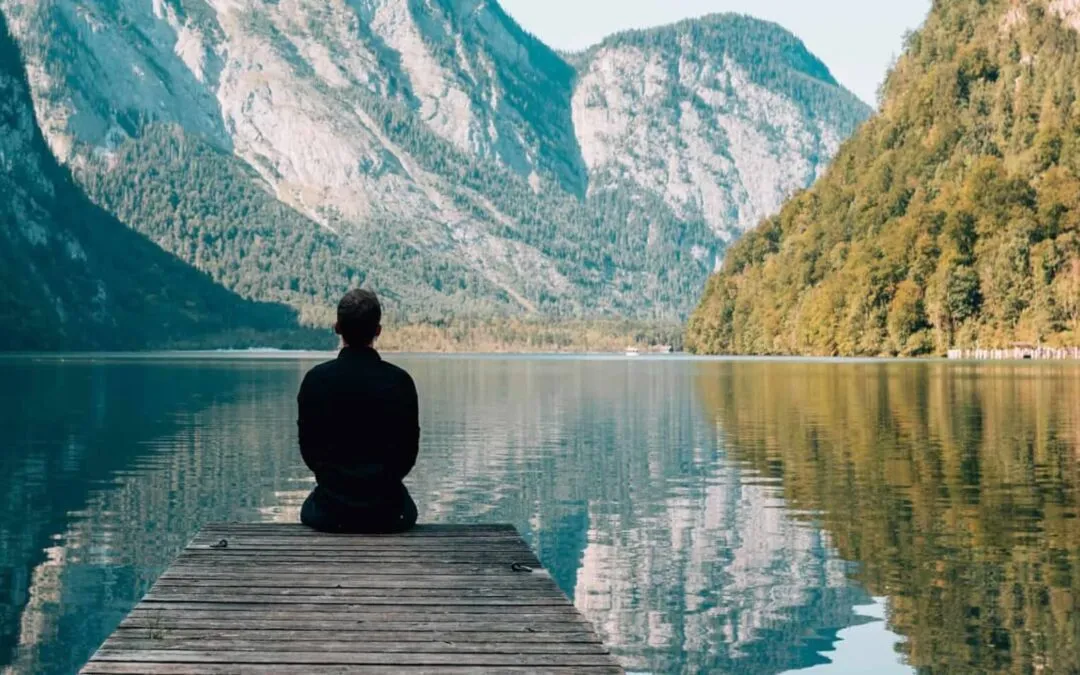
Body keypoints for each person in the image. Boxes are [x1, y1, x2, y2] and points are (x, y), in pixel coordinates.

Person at [297, 289, 420, 533]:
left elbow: (309, 451)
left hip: (329, 512)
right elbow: (408, 453)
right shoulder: (400, 382)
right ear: (378, 331)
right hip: (389, 513)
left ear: (337, 328)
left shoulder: (315, 380)